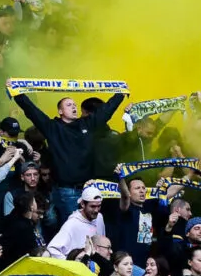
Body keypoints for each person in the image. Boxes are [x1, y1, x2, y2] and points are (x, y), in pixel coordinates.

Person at [13, 90, 125, 222]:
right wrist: (17, 93)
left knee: (91, 225)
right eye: (69, 105)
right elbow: (33, 112)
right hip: (67, 191)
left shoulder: (87, 124)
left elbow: (105, 112)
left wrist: (120, 94)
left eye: (74, 105)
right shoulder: (53, 128)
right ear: (60, 111)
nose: (74, 107)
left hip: (89, 188)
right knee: (74, 226)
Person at [47, 186, 106, 259]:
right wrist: (70, 264)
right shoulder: (72, 224)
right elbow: (52, 249)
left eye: (99, 206)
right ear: (82, 204)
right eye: (93, 206)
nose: (96, 210)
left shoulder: (99, 217)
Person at [0, 192, 46, 270]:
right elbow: (32, 251)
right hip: (17, 266)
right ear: (31, 207)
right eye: (34, 201)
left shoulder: (11, 218)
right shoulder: (25, 228)